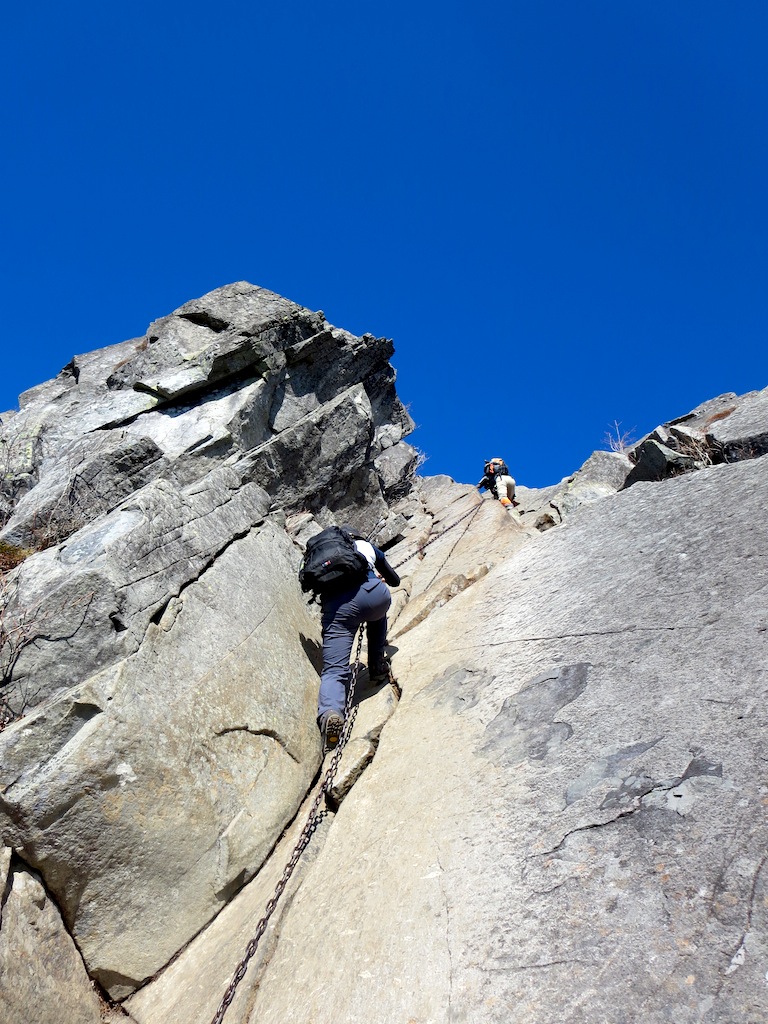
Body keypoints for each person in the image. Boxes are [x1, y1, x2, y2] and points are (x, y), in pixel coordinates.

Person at [315, 527, 400, 751]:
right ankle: (377, 665)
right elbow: (394, 580)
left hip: (338, 609)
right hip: (374, 596)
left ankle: (331, 713)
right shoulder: (366, 547)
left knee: (334, 670)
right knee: (377, 615)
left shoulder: (321, 558)